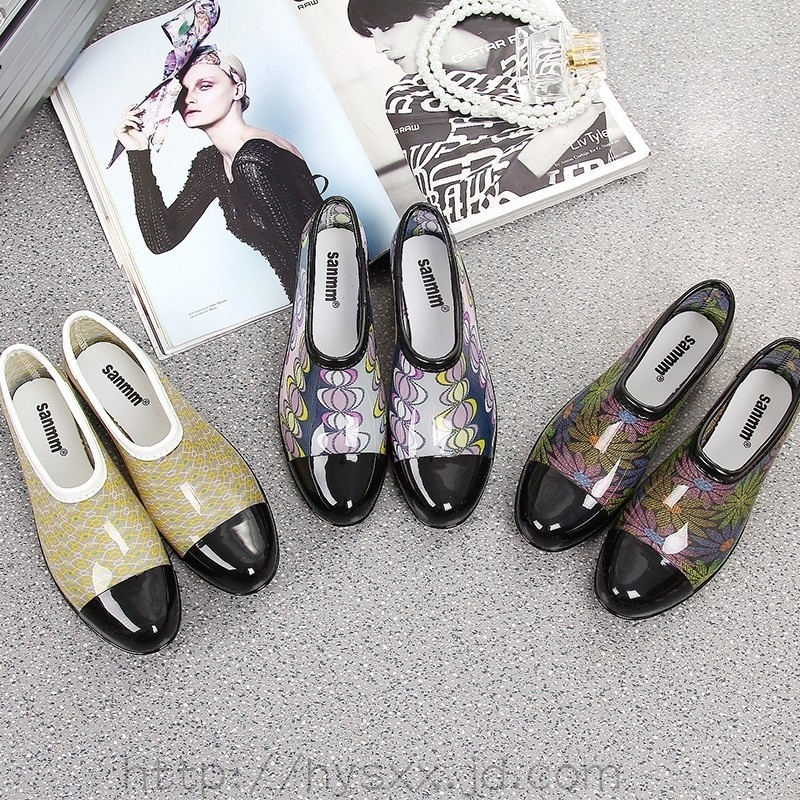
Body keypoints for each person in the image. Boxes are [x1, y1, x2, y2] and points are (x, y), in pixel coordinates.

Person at [347, 0, 631, 222]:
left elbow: (607, 106)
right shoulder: (410, 99)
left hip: (609, 197)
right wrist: (567, 126)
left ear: (432, 9)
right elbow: (456, 208)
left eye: (386, 28)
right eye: (371, 36)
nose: (379, 48)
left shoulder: (540, 35)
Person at [114, 45, 326, 300]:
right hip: (310, 300)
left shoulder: (252, 158)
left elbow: (306, 265)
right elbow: (161, 239)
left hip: (326, 299)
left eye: (204, 86)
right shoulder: (212, 163)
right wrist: (138, 153)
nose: (188, 99)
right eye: (183, 91)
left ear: (238, 90)